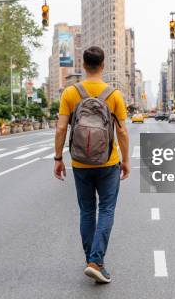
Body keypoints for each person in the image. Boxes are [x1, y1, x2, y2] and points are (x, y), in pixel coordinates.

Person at [53, 46, 129, 284]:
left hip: (80, 163)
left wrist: (58, 158)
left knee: (87, 211)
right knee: (106, 210)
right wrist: (125, 160)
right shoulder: (114, 94)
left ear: (83, 66)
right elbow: (122, 131)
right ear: (103, 65)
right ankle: (96, 262)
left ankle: (91, 260)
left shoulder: (70, 93)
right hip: (108, 162)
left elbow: (61, 128)